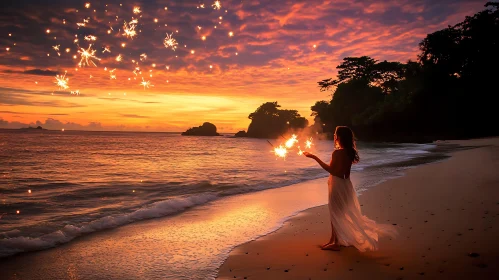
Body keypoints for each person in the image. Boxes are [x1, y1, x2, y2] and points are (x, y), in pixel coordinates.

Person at [303, 126, 397, 251]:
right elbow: (342, 172)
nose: (334, 136)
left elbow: (331, 170)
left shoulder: (337, 153)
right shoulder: (349, 152)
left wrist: (314, 157)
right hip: (346, 184)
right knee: (337, 213)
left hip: (337, 185)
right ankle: (333, 240)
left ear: (340, 137)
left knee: (335, 213)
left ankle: (336, 243)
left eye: (336, 134)